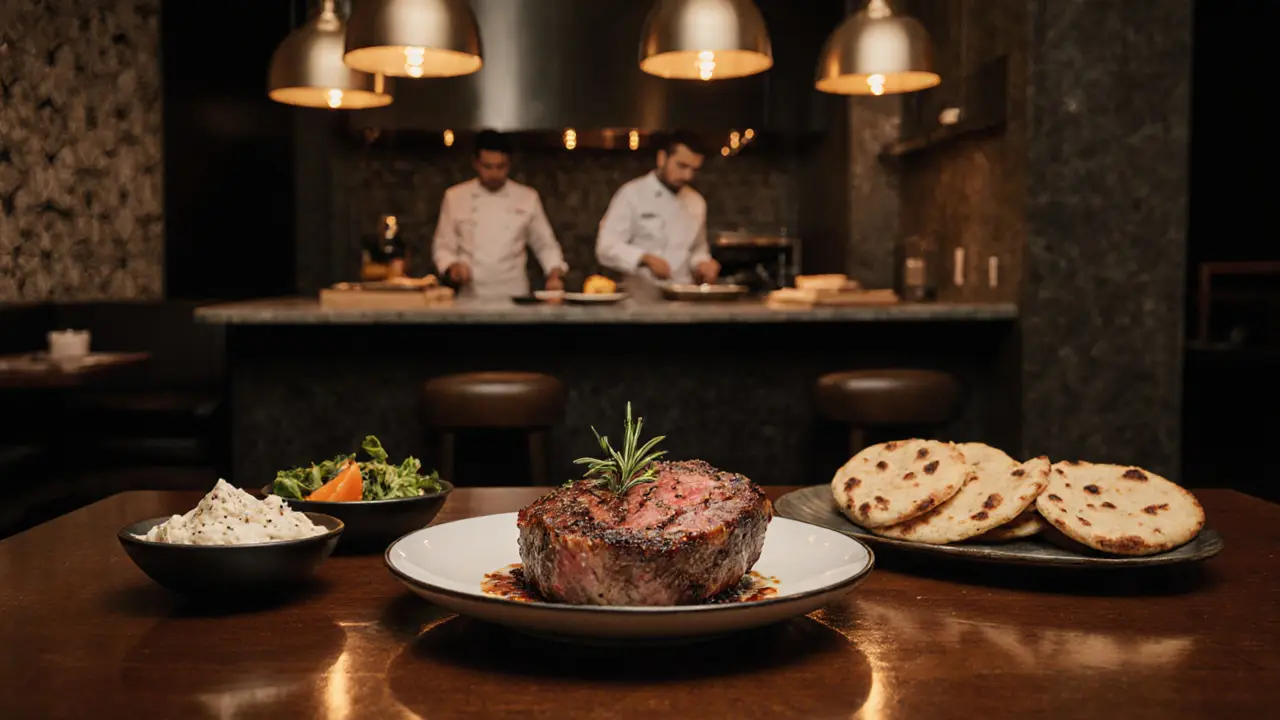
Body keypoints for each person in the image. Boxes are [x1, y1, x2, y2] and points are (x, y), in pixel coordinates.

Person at [432, 130, 568, 298]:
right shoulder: (455, 197)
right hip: (470, 296)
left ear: (509, 164)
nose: (494, 174)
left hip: (515, 295)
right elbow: (443, 246)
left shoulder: (527, 197)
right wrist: (453, 267)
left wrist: (554, 274)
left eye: (500, 167)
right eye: (488, 167)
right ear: (476, 163)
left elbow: (545, 245)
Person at [594, 131, 720, 296]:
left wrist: (703, 264)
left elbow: (697, 249)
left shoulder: (697, 202)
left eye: (694, 169)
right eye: (681, 166)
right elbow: (606, 248)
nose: (687, 175)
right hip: (639, 299)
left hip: (683, 296)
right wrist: (644, 259)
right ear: (662, 158)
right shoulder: (632, 194)